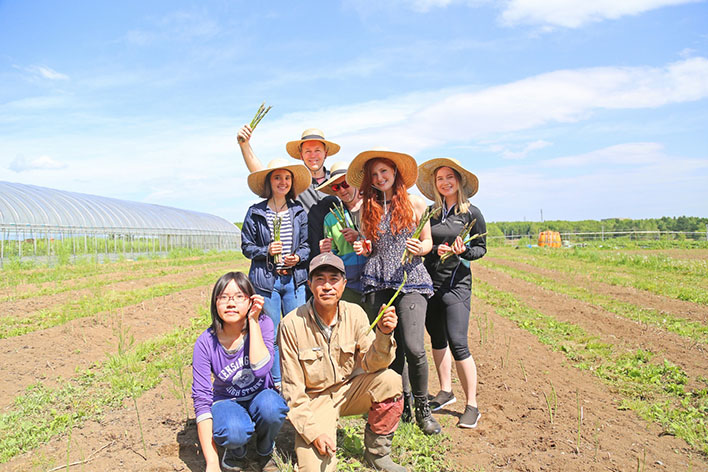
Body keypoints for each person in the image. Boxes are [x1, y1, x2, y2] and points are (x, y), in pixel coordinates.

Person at [279, 252, 407, 472]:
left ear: (344, 284)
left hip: (349, 390)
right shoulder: (291, 324)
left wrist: (384, 334)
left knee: (391, 381)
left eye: (333, 279)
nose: (327, 286)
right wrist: (313, 433)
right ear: (310, 285)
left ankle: (377, 454)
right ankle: (316, 434)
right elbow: (293, 392)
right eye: (320, 280)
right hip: (314, 400)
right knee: (316, 469)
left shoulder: (355, 314)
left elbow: (373, 364)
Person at [348, 149, 441, 436]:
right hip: (378, 281)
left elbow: (427, 243)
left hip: (410, 278)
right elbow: (368, 245)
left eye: (383, 172)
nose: (379, 178)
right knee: (390, 351)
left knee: (413, 347)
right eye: (374, 175)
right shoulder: (367, 207)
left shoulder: (414, 202)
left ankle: (423, 409)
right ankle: (401, 404)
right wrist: (362, 247)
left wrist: (420, 249)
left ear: (395, 173)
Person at [192, 272, 289, 472]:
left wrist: (253, 321)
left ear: (251, 301)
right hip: (227, 400)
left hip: (261, 395)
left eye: (238, 297)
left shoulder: (263, 324)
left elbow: (261, 370)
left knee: (272, 407)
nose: (231, 303)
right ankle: (236, 450)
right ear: (215, 303)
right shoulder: (205, 343)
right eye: (224, 297)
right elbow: (201, 400)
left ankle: (265, 448)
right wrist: (211, 462)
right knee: (233, 430)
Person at [417, 158, 486, 429]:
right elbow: (426, 242)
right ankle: (445, 391)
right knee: (436, 338)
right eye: (440, 179)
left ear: (458, 181)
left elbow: (481, 249)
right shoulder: (431, 213)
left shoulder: (472, 213)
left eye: (449, 177)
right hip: (430, 283)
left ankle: (472, 405)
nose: (445, 182)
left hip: (457, 285)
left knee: (459, 343)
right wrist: (434, 249)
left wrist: (462, 252)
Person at [241, 159, 311, 386]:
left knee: (295, 331)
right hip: (266, 282)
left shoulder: (298, 211)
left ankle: (297, 380)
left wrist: (298, 257)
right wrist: (266, 250)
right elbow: (246, 246)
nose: (283, 182)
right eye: (277, 178)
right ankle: (278, 382)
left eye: (287, 178)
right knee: (270, 334)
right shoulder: (256, 212)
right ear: (269, 182)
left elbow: (306, 245)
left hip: (293, 281)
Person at [237, 125, 341, 262]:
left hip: (336, 260)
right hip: (303, 263)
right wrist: (245, 146)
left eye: (317, 150)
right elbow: (262, 174)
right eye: (308, 151)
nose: (313, 155)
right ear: (301, 154)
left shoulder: (338, 183)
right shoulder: (295, 184)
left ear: (325, 153)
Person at [315, 161, 375, 320]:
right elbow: (333, 255)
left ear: (356, 183)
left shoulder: (373, 209)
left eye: (345, 184)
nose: (342, 190)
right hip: (348, 284)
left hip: (375, 280)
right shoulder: (330, 219)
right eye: (336, 187)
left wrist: (360, 237)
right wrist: (326, 252)